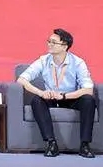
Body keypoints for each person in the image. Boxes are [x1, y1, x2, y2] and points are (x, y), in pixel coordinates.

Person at [17, 28, 97, 158]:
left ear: (65, 46)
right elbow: (21, 79)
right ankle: (51, 143)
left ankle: (85, 145)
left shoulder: (78, 62)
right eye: (49, 41)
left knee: (88, 100)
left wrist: (64, 96)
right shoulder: (44, 60)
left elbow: (88, 89)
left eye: (54, 42)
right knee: (36, 100)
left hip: (70, 98)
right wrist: (41, 93)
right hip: (51, 97)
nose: (49, 44)